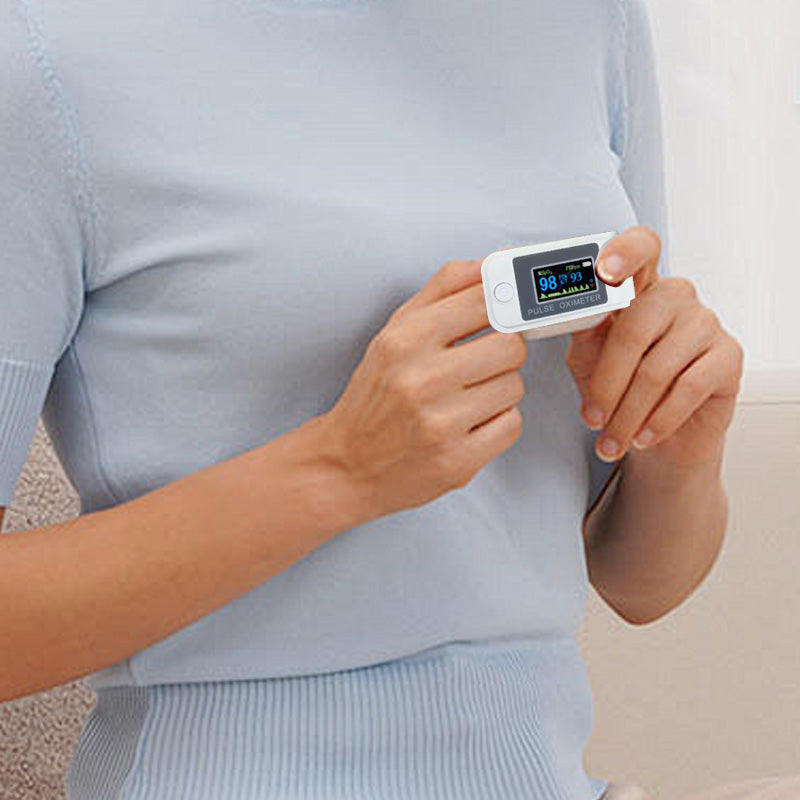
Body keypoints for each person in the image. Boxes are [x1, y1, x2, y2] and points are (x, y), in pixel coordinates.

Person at [0, 0, 785, 797]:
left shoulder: (589, 20)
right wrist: (337, 470)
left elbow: (643, 586)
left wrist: (677, 455)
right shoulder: (47, 51)